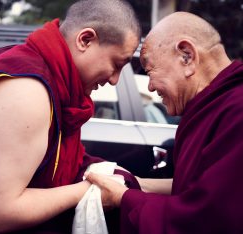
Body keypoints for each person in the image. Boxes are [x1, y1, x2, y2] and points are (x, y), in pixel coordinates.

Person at [0, 0, 141, 233]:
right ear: (85, 40)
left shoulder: (51, 79)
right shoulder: (26, 89)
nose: (114, 79)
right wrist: (85, 190)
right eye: (116, 64)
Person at [86, 11, 243, 233]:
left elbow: (210, 218)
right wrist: (134, 183)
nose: (149, 87)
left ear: (186, 56)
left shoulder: (237, 111)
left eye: (150, 71)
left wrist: (125, 198)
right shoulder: (211, 105)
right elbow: (194, 188)